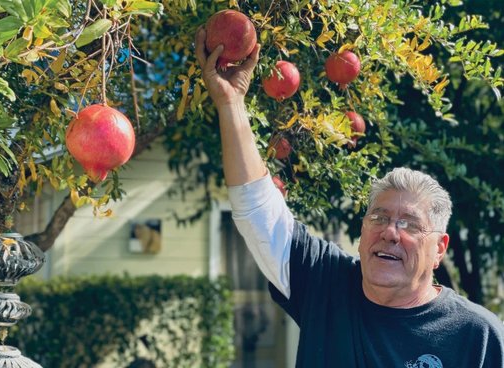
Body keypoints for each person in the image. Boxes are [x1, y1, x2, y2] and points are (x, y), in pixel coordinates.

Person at [194, 27, 504, 367]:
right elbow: (255, 207)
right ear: (362, 231)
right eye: (379, 217)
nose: (390, 232)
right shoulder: (324, 283)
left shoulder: (479, 337)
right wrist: (231, 102)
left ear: (440, 249)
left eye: (410, 225)